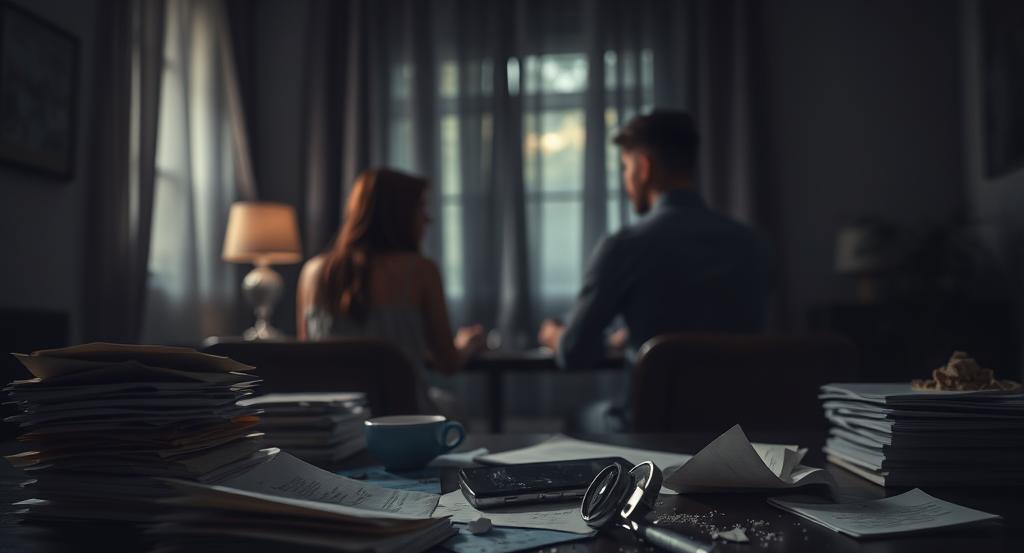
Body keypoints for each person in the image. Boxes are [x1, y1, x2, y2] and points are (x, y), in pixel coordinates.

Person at [538, 110, 768, 431]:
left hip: (652, 428)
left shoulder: (625, 245)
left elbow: (574, 353)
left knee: (579, 417)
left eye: (625, 167)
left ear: (644, 167)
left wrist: (552, 335)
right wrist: (634, 336)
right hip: (740, 429)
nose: (626, 180)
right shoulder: (751, 243)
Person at [298, 168, 485, 414]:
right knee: (454, 411)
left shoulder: (312, 272)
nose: (427, 219)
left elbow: (306, 358)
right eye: (420, 208)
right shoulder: (420, 271)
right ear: (399, 214)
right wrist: (468, 343)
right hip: (404, 418)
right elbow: (447, 363)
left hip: (333, 423)